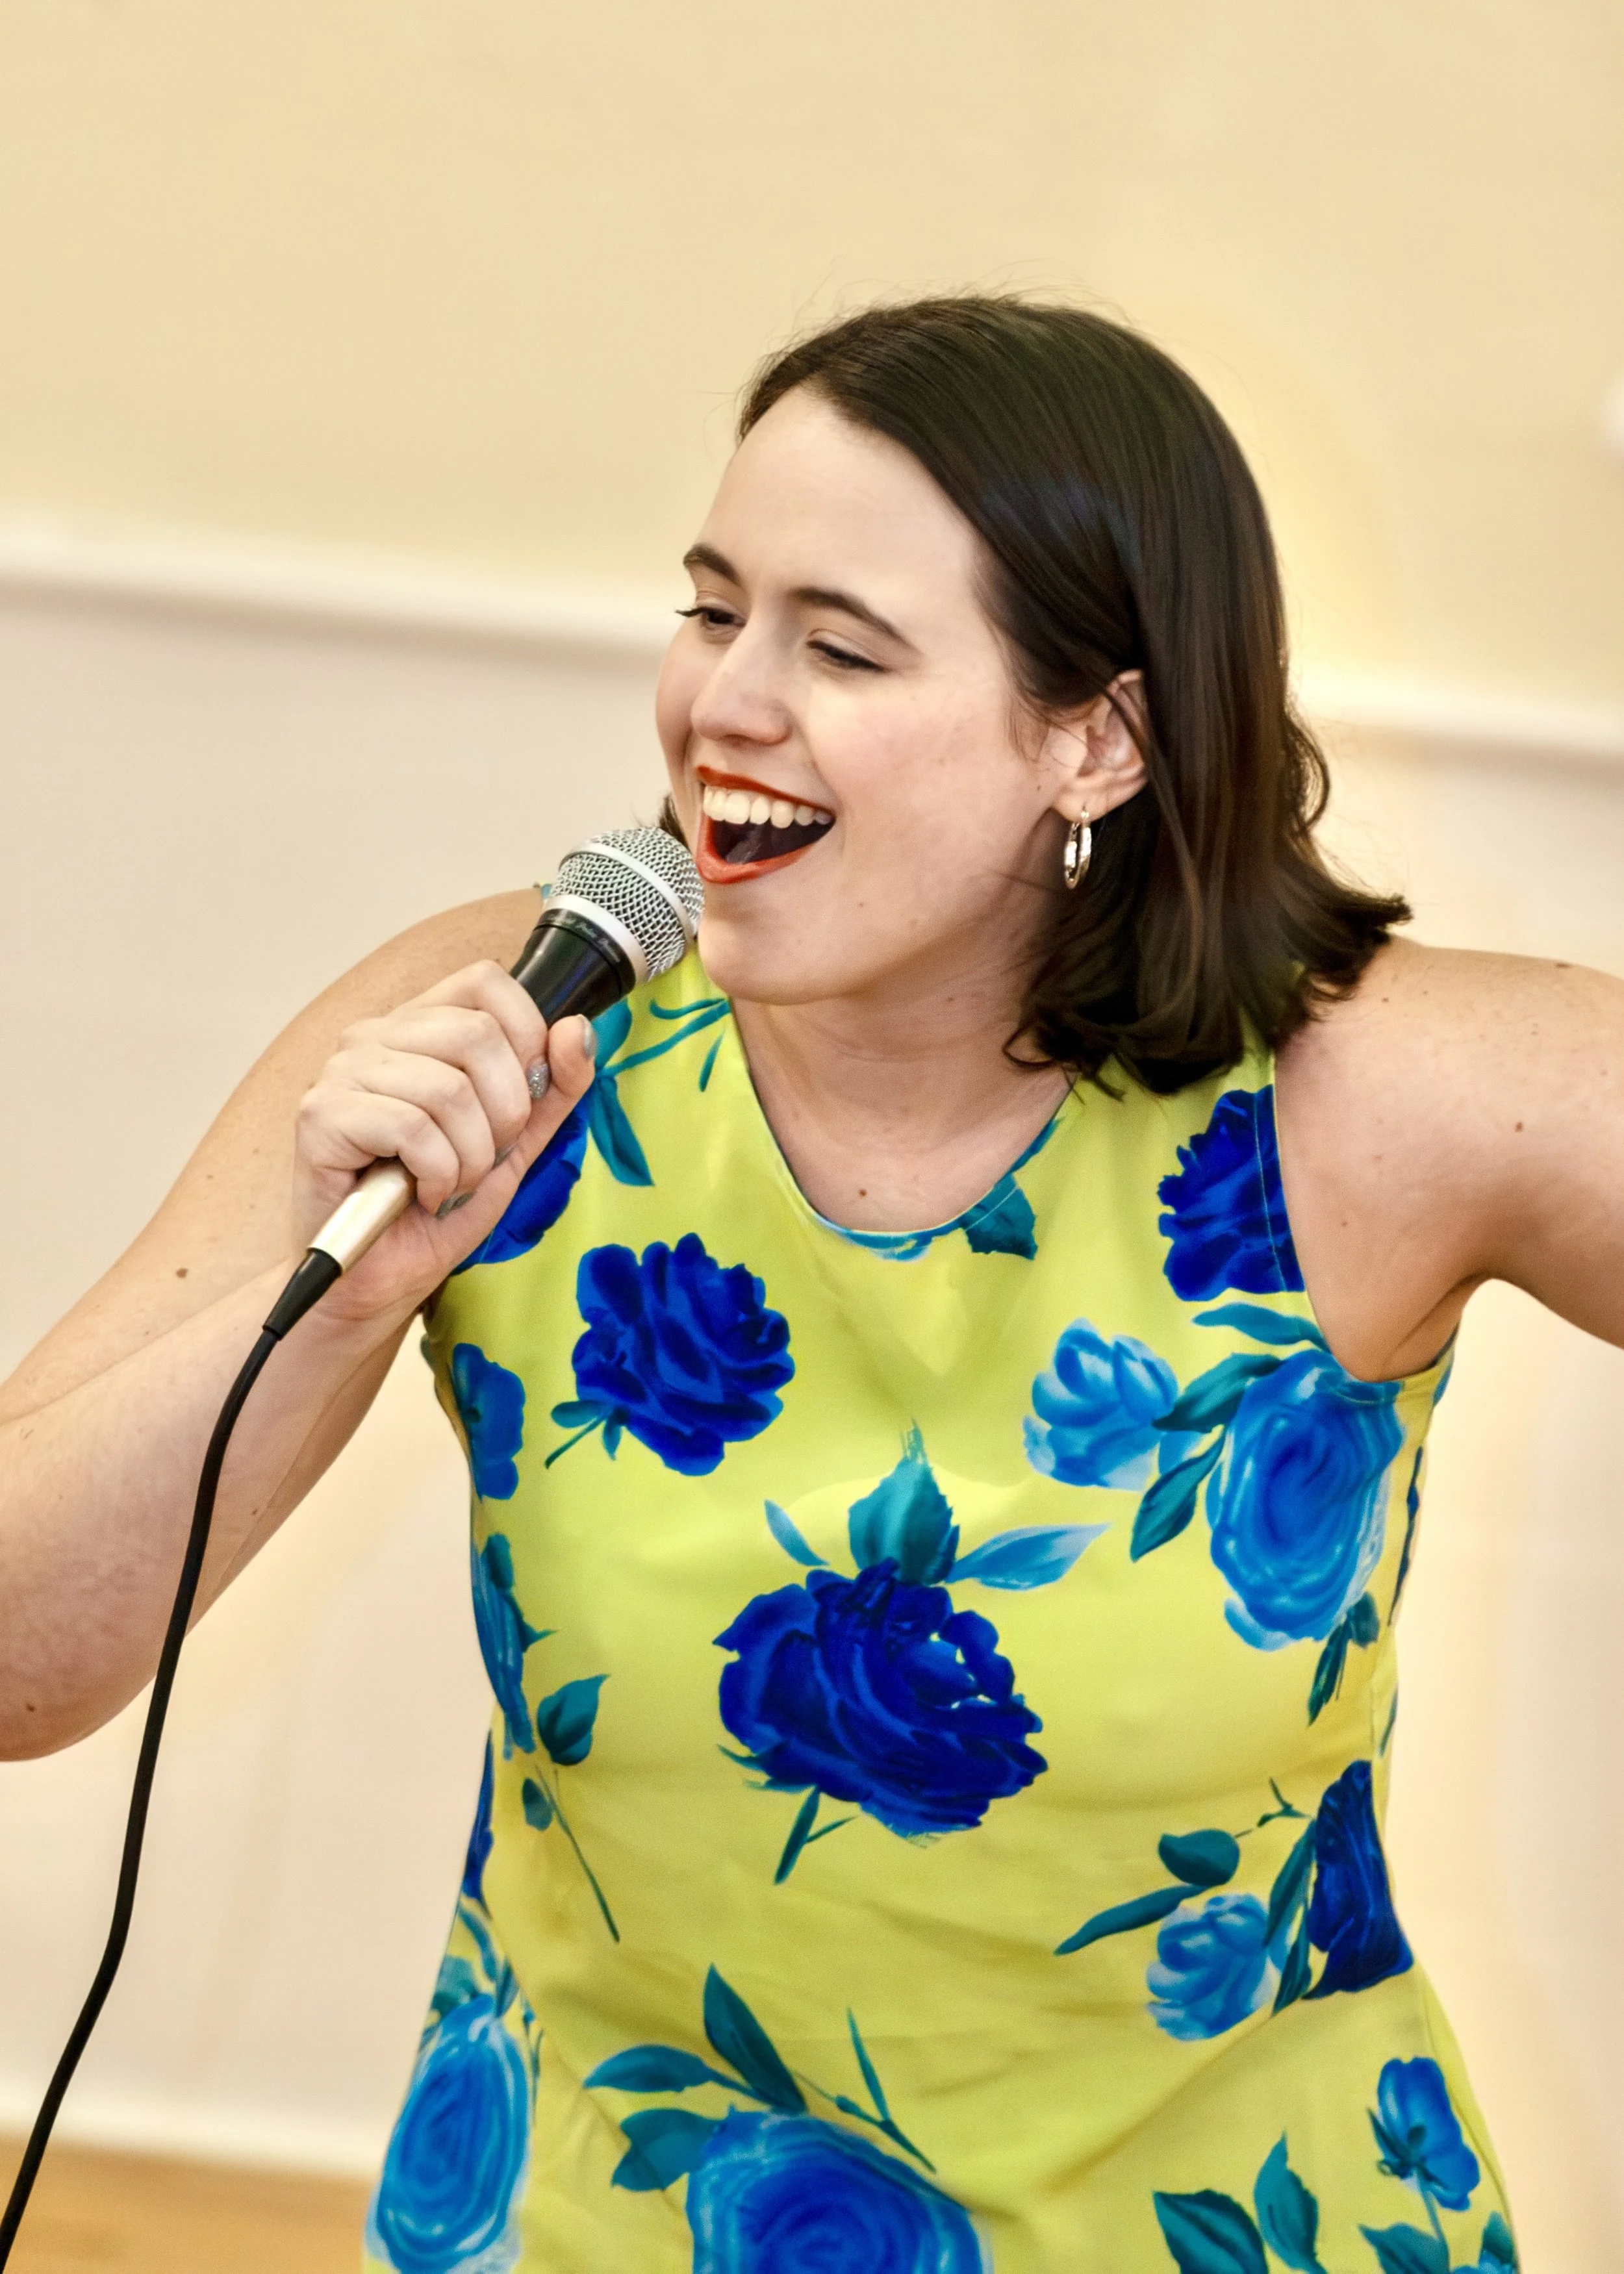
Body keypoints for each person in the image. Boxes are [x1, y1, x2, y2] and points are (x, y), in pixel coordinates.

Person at [2, 298, 1618, 2273]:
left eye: (839, 645)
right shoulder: (512, 1032)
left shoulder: (1371, 1100)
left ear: (1091, 734)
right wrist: (344, 1295)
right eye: (709, 611)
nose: (720, 706)